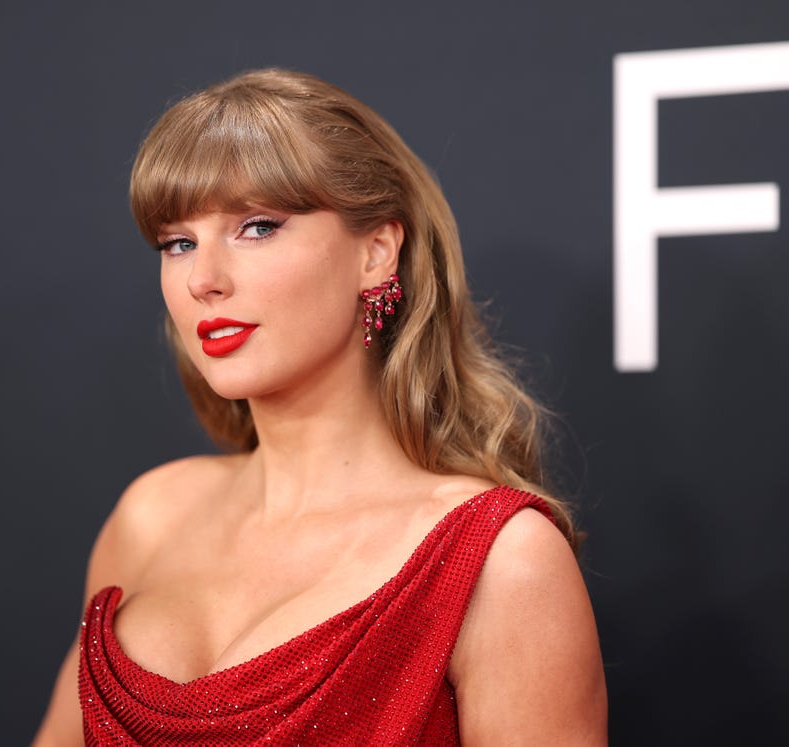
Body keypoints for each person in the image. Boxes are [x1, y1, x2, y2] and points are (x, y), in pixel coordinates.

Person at [34, 68, 606, 745]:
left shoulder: (501, 562)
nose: (202, 279)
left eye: (256, 227)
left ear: (376, 252)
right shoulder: (149, 517)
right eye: (177, 242)